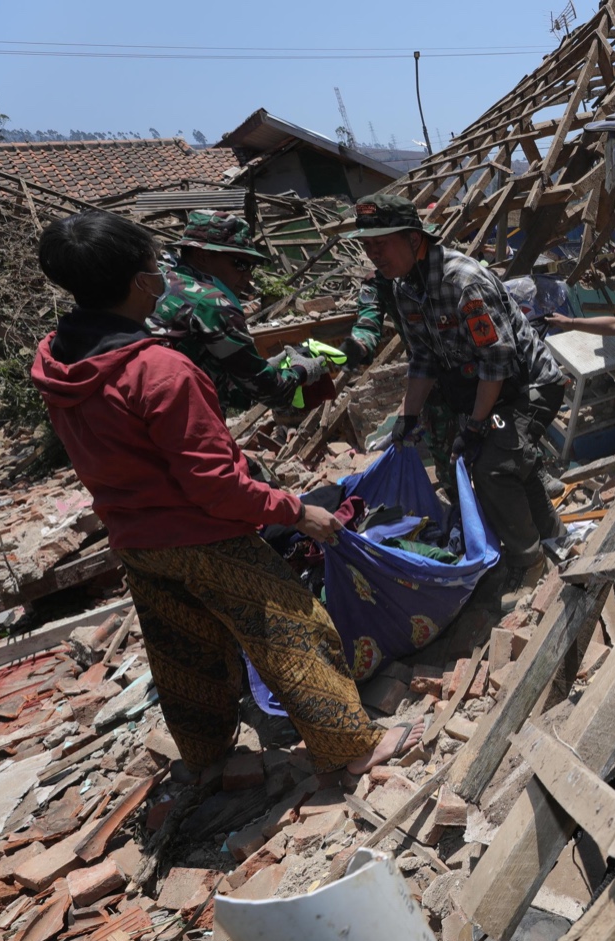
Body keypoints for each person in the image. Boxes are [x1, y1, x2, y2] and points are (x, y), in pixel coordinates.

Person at [32, 210, 421, 777]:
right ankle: (351, 749)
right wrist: (298, 512)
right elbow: (213, 485)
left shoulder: (57, 360)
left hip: (133, 537)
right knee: (295, 629)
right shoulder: (159, 370)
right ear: (141, 282)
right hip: (202, 534)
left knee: (186, 654)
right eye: (153, 266)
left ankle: (211, 762)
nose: (162, 276)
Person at [341, 193, 568, 607]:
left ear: (413, 239)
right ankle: (554, 535)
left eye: (381, 244)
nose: (374, 255)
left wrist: (478, 426)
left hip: (528, 384)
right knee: (509, 458)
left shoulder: (463, 282)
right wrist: (407, 418)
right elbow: (424, 358)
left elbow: (498, 361)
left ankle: (529, 560)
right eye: (366, 246)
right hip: (484, 385)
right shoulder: (406, 289)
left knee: (494, 465)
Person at [147, 211, 326, 411]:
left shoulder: (158, 282)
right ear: (202, 256)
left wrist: (260, 368)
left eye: (251, 267)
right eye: (240, 264)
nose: (248, 277)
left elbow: (224, 388)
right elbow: (274, 394)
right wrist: (301, 370)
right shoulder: (211, 303)